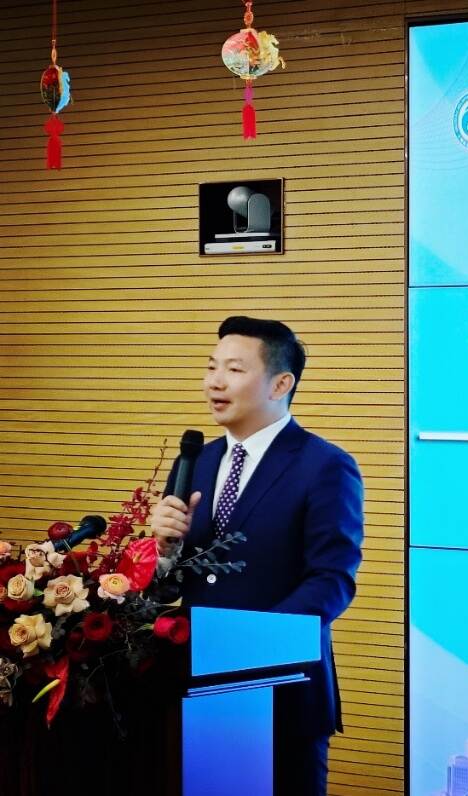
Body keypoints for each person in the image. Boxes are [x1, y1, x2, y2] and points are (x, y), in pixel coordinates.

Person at [150, 315, 364, 796]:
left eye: (234, 369)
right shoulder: (195, 461)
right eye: (211, 367)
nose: (215, 382)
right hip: (196, 686)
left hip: (282, 693)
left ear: (280, 384)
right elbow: (169, 586)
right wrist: (163, 552)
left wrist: (246, 646)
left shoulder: (325, 465)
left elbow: (332, 581)